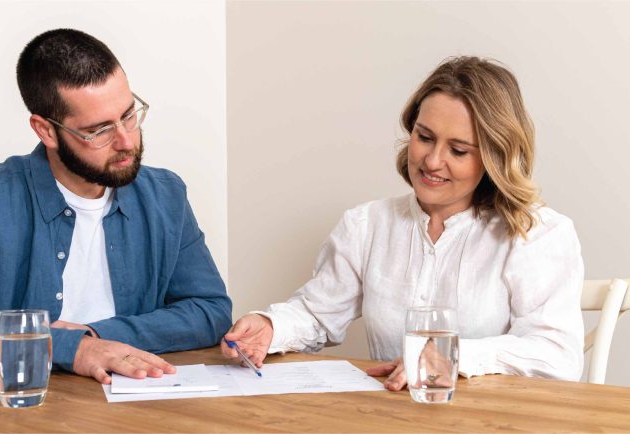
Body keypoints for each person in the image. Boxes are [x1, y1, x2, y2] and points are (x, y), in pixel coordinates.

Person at [0, 28, 232, 384]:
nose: (127, 141)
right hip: (21, 410)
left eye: (129, 115)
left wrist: (96, 336)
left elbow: (210, 310)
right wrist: (70, 348)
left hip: (135, 402)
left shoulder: (165, 194)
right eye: (99, 131)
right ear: (46, 131)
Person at [221, 56, 584, 389]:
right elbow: (317, 314)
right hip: (389, 418)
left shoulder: (537, 234)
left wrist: (453, 358)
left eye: (458, 150)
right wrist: (270, 327)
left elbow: (556, 354)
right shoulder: (366, 225)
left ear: (493, 157)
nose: (432, 160)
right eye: (424, 137)